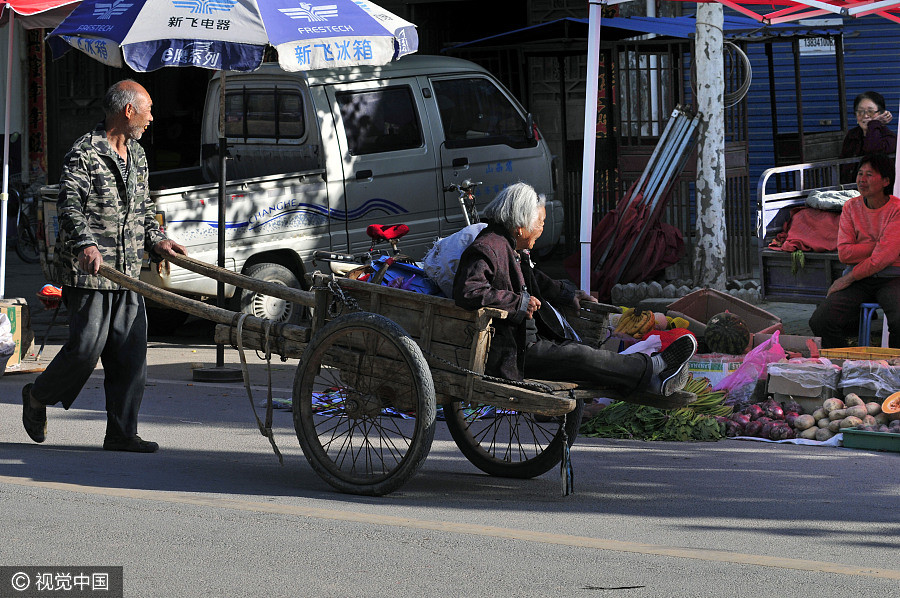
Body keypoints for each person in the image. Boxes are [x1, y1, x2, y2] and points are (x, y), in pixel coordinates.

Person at [21, 80, 187, 453]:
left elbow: (144, 208)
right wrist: (86, 245)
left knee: (130, 354)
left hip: (128, 272)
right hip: (91, 273)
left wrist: (158, 239)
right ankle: (36, 396)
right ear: (128, 111)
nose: (151, 118)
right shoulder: (84, 153)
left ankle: (121, 433)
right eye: (147, 110)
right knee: (85, 348)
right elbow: (69, 207)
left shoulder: (138, 155)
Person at [452, 182, 697, 396]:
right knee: (580, 356)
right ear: (520, 226)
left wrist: (569, 295)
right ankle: (654, 368)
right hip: (513, 352)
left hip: (524, 342)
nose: (542, 229)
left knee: (581, 352)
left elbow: (535, 279)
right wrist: (518, 303)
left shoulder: (507, 246)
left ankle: (652, 379)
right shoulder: (487, 247)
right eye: (540, 222)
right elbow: (469, 291)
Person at [810, 153, 900, 349]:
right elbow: (845, 254)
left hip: (893, 277)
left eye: (869, 174)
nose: (862, 179)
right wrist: (879, 244)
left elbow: (883, 259)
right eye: (860, 173)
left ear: (886, 181)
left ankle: (893, 371)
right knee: (821, 320)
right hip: (861, 279)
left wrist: (847, 278)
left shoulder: (897, 209)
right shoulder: (851, 207)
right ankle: (846, 366)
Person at [840, 91, 897, 183]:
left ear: (881, 114)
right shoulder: (852, 135)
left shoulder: (890, 138)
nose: (865, 116)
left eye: (870, 111)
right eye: (860, 112)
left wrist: (874, 124)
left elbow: (872, 149)